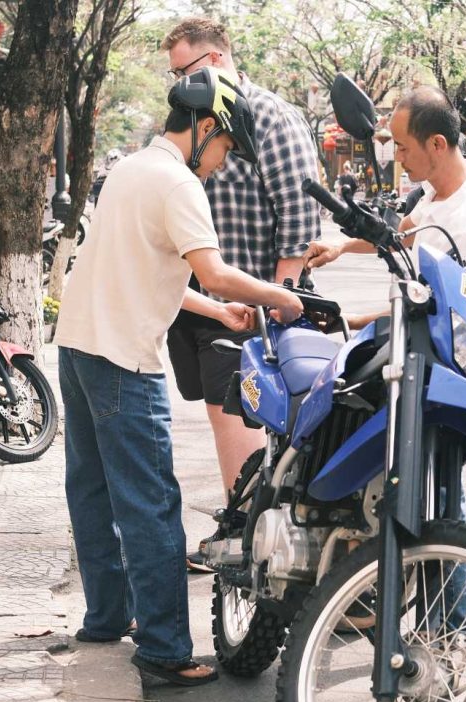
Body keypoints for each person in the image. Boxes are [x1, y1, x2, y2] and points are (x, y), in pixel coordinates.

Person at [55, 67, 304, 686]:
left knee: (92, 490)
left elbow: (147, 269)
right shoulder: (179, 184)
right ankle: (164, 648)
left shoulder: (129, 170)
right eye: (225, 149)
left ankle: (105, 616)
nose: (221, 164)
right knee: (151, 503)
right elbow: (214, 272)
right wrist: (282, 296)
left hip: (78, 347)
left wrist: (217, 312)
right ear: (207, 126)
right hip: (123, 359)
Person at [161, 18, 322, 560]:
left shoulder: (271, 116)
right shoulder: (193, 116)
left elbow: (299, 217)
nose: (177, 83)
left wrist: (277, 301)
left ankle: (248, 539)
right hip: (203, 300)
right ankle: (244, 526)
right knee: (220, 410)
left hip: (250, 304)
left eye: (182, 70)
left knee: (241, 414)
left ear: (212, 61)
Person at [305, 86, 466, 379]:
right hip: (424, 347)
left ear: (437, 144)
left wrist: (349, 320)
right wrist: (341, 246)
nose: (399, 157)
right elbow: (400, 235)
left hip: (454, 367)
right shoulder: (452, 182)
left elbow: (427, 309)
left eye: (403, 147)